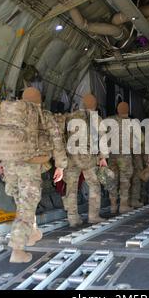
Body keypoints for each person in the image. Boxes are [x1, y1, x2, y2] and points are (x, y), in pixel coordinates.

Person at [0, 87, 67, 263]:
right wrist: (60, 165)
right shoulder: (44, 116)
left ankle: (32, 232)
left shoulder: (12, 116)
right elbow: (57, 141)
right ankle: (17, 250)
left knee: (22, 202)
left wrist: (1, 163)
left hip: (10, 166)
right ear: (40, 101)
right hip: (29, 167)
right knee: (26, 207)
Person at [63, 93, 108, 226]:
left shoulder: (70, 117)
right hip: (88, 157)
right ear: (94, 105)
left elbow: (62, 136)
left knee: (71, 188)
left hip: (71, 157)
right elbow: (103, 138)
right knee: (94, 185)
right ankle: (93, 216)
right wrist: (103, 157)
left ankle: (73, 218)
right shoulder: (96, 118)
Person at [107, 102, 135, 214]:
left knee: (112, 180)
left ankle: (113, 206)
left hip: (111, 155)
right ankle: (123, 205)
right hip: (124, 156)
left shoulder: (108, 121)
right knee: (125, 180)